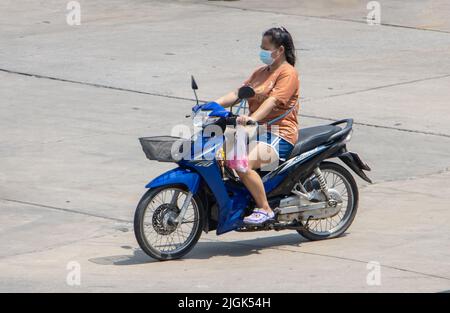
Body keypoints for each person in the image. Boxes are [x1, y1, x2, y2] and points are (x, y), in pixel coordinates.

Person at [214, 26, 300, 225]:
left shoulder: (288, 74)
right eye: (261, 47)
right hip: (257, 132)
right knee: (220, 156)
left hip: (280, 135)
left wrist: (252, 118)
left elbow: (272, 101)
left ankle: (265, 208)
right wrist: (212, 105)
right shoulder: (261, 72)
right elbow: (238, 93)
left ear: (279, 51)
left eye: (265, 47)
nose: (262, 51)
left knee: (241, 163)